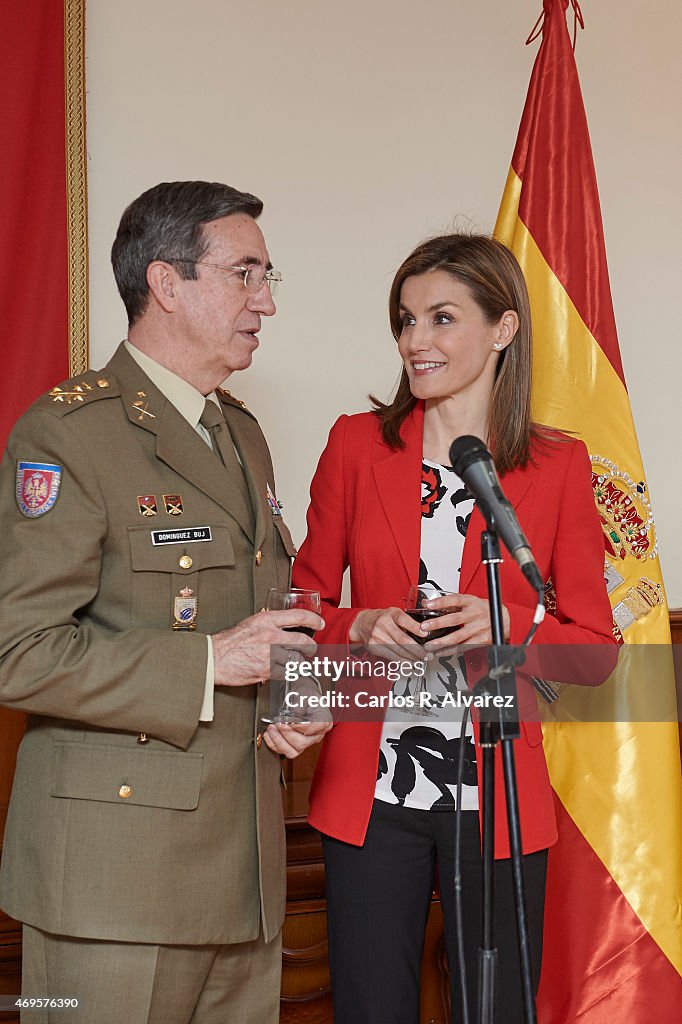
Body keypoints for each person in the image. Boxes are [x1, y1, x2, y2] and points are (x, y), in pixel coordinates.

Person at [0, 180, 331, 1024]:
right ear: (167, 283)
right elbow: (19, 649)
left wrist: (290, 703)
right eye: (246, 274)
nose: (266, 302)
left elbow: (259, 614)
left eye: (268, 277)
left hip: (242, 875)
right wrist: (214, 660)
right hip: (114, 887)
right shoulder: (68, 434)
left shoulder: (239, 431)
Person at [291, 234, 617, 1023]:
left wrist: (511, 631)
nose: (415, 342)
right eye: (405, 321)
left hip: (500, 793)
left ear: (503, 329)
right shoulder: (355, 444)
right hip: (369, 793)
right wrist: (358, 624)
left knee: (497, 1009)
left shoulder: (559, 465)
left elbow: (597, 654)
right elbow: (298, 605)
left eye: (441, 319)